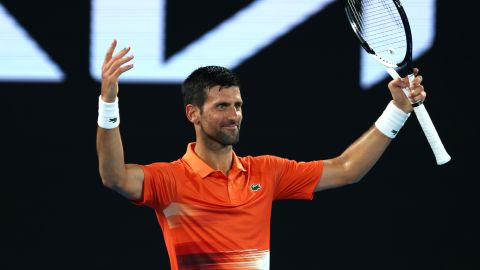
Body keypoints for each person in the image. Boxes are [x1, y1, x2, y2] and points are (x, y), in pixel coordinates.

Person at [96, 39, 426, 270]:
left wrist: (398, 110)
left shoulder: (266, 172)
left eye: (237, 105)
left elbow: (347, 169)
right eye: (221, 106)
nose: (234, 115)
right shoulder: (169, 181)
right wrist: (109, 103)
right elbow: (114, 176)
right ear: (192, 114)